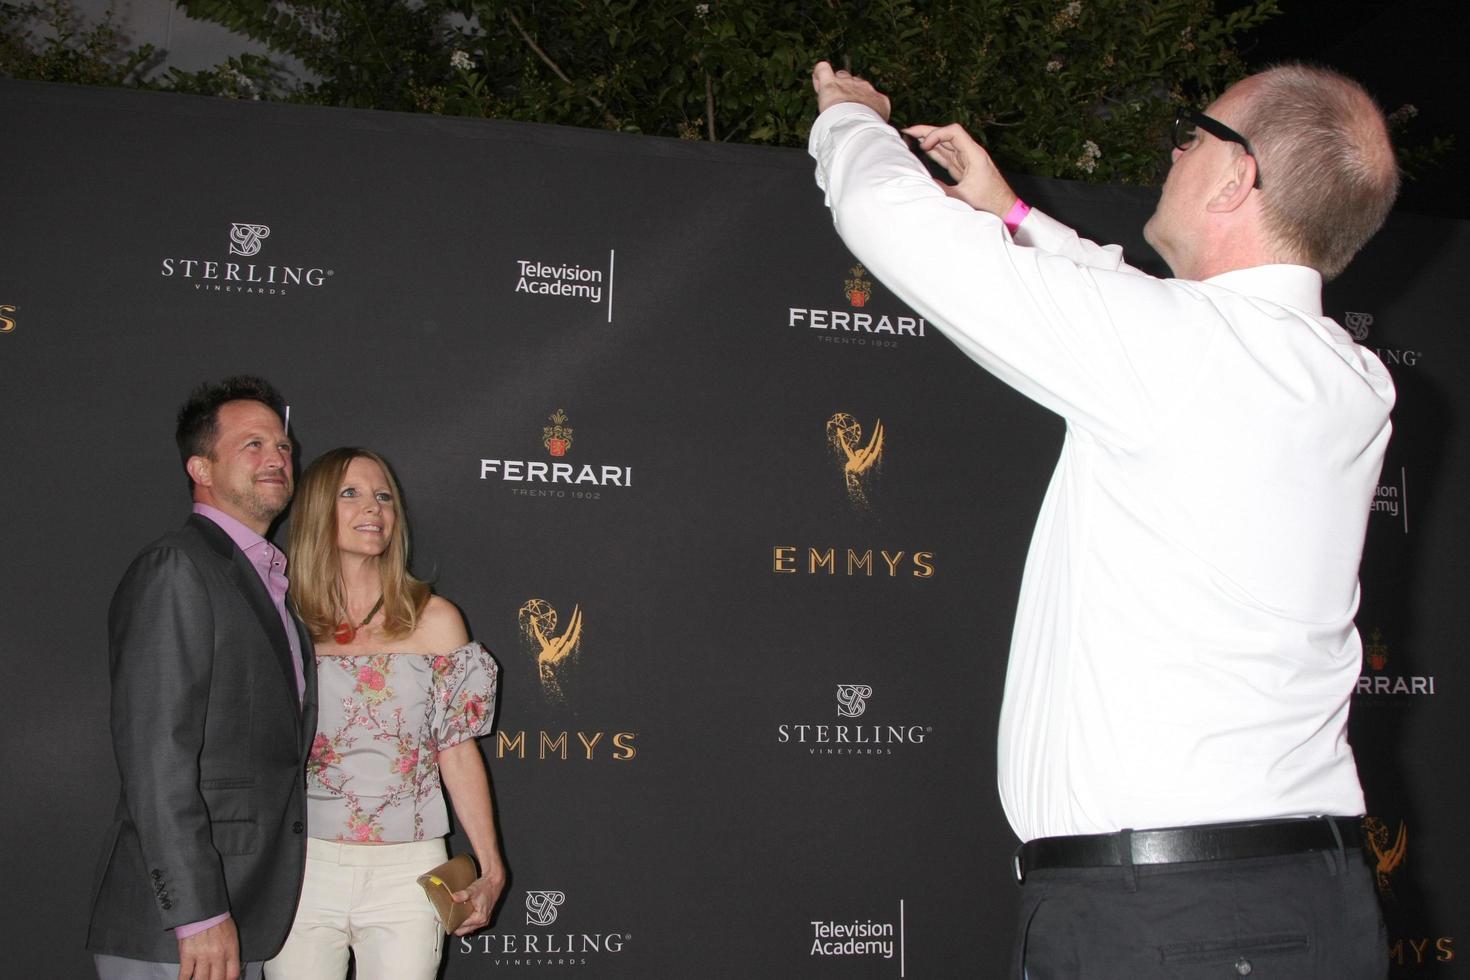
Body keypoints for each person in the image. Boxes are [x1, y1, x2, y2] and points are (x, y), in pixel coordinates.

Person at [810, 61, 1399, 978]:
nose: (1172, 151)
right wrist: (1012, 215)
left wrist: (853, 122)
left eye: (1187, 132)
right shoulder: (1350, 378)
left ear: (1238, 177)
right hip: (1296, 902)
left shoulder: (1184, 358)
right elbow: (1145, 316)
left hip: (1170, 924)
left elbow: (885, 219)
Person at [88, 376, 317, 980]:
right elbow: (157, 756)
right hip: (182, 931)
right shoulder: (178, 568)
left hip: (249, 913)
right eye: (252, 445)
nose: (277, 457)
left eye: (283, 446)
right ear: (201, 468)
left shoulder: (269, 585)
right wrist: (198, 914)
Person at [265, 447, 505, 979]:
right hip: (304, 867)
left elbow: (457, 751)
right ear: (316, 512)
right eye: (350, 493)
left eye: (383, 496)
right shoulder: (285, 623)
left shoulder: (435, 619)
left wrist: (491, 866)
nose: (372, 508)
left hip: (409, 869)